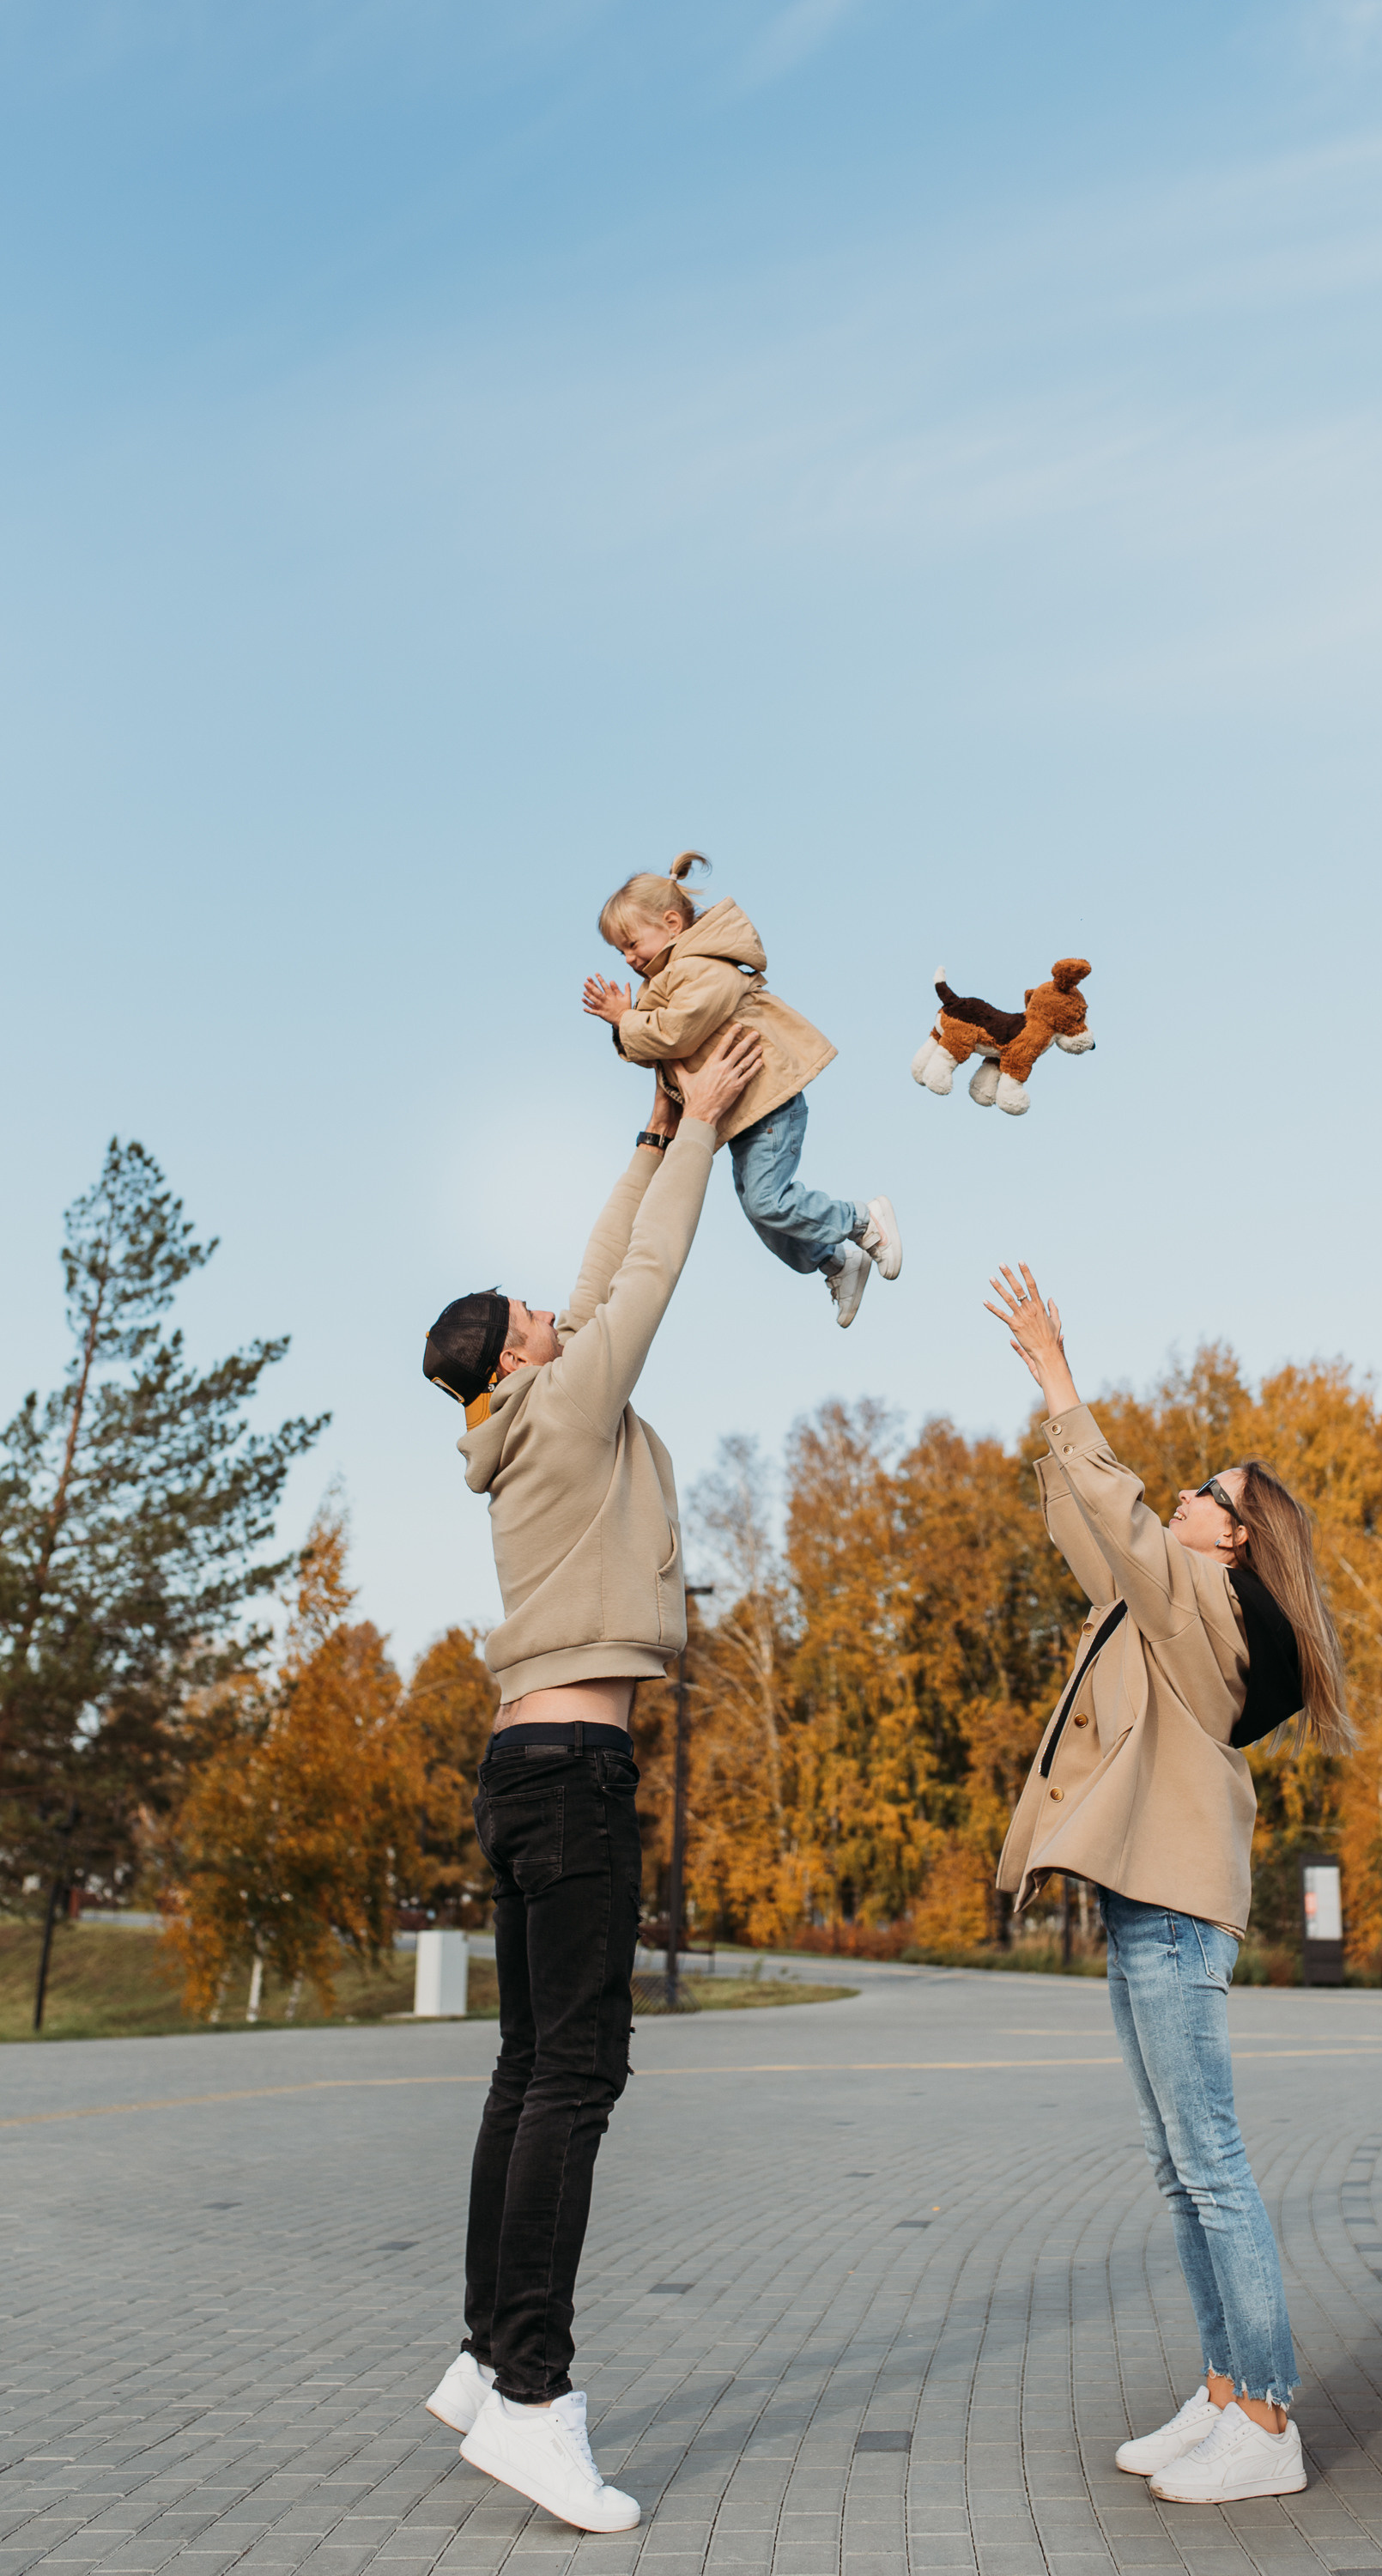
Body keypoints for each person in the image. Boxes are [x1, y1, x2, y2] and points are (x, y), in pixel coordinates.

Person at [416, 1024, 762, 2535]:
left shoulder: (520, 1418)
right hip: (571, 1775)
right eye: (534, 1316)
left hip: (524, 1765)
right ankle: (532, 2400)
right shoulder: (565, 1404)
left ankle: (484, 2353)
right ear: (515, 1358)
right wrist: (708, 1125)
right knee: (576, 2076)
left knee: (525, 2071)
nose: (557, 1311)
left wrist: (651, 1130)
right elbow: (650, 1271)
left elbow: (602, 1264)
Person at [984, 1262, 1352, 2506]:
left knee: (1209, 2165)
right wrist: (1052, 1425)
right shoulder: (1157, 1601)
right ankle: (1221, 2390)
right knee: (1175, 2164)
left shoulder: (1210, 1609)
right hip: (1143, 1909)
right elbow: (1090, 1530)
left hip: (1177, 1917)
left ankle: (1267, 2417)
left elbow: (1124, 1521)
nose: (1185, 1494)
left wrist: (1059, 1378)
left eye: (1207, 1492)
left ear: (1233, 1538)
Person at [581, 850, 901, 1328]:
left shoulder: (702, 967)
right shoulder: (667, 981)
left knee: (767, 1201)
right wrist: (626, 1021)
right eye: (619, 952)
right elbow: (655, 1050)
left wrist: (626, 1018)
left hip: (769, 1101)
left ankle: (862, 1219)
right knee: (761, 1211)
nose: (628, 959)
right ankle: (836, 1261)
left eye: (631, 944)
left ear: (671, 924)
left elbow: (675, 1035)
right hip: (744, 1112)